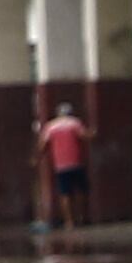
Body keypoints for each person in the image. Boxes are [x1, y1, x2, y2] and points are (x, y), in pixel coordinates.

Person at [38, 98, 93, 229]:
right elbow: (85, 136)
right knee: (80, 191)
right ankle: (81, 217)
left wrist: (37, 158)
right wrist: (93, 133)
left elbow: (43, 145)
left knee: (65, 193)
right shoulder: (75, 123)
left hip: (61, 165)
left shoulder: (51, 126)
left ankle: (69, 221)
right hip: (77, 162)